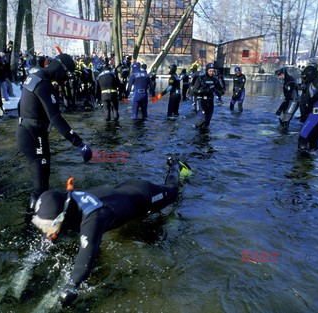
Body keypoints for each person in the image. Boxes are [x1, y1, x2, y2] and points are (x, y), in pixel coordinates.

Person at [30, 157, 193, 307]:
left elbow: (85, 259)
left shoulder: (94, 217)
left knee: (173, 192)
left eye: (49, 226)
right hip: (123, 190)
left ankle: (176, 166)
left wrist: (71, 286)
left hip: (144, 195)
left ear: (62, 216)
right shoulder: (67, 199)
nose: (46, 231)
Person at [16, 53, 93, 211]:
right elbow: (56, 118)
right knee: (40, 187)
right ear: (60, 68)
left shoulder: (34, 77)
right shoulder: (44, 84)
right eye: (66, 74)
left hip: (27, 130)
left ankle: (37, 219)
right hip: (33, 134)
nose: (65, 79)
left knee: (42, 184)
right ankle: (31, 226)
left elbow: (21, 105)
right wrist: (79, 144)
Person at [297, 65, 318, 153]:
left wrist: (310, 102)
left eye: (305, 77)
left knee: (302, 140)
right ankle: (311, 164)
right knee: (313, 142)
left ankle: (302, 165)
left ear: (310, 75)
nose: (305, 79)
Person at [192, 63, 223, 129]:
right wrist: (203, 91)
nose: (211, 73)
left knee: (207, 122)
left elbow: (220, 89)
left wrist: (220, 92)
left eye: (213, 71)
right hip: (201, 101)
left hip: (210, 101)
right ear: (207, 70)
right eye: (210, 71)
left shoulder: (215, 80)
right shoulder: (201, 78)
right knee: (202, 120)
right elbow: (194, 90)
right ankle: (194, 130)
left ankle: (205, 137)